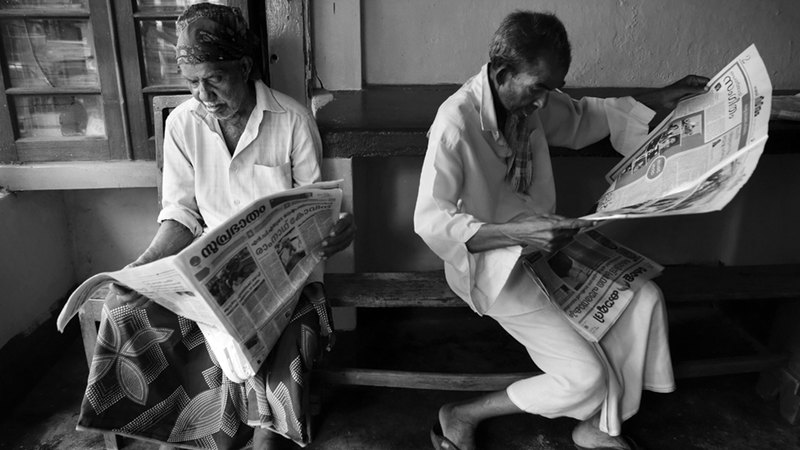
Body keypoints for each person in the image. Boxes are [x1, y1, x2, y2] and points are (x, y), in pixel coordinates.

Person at [414, 11, 708, 450]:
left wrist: (660, 97)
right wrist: (520, 234)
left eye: (552, 89)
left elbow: (584, 116)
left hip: (547, 247)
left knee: (645, 299)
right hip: (498, 269)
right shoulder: (455, 122)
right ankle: (462, 413)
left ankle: (598, 427)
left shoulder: (529, 104)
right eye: (538, 88)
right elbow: (432, 222)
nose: (543, 102)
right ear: (501, 73)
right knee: (585, 376)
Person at [78, 3, 354, 449]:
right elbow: (181, 214)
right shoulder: (183, 125)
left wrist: (337, 230)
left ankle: (266, 431)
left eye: (214, 79)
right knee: (123, 306)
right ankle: (193, 427)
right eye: (191, 83)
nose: (203, 95)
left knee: (285, 327)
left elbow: (317, 208)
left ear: (243, 67)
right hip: (213, 273)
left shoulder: (292, 120)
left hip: (286, 279)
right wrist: (144, 265)